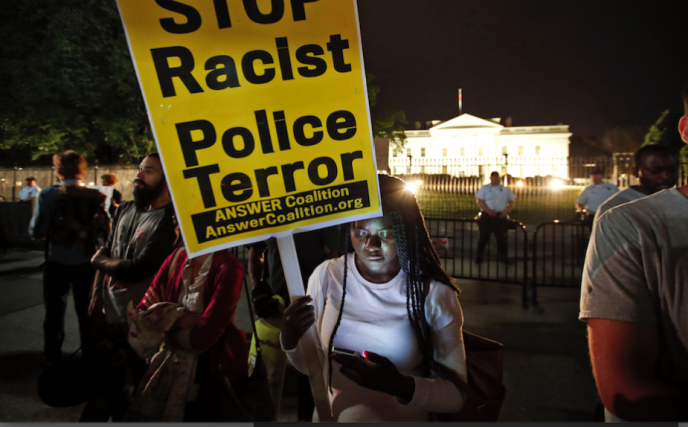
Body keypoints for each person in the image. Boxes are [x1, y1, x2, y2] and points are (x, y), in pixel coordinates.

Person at [280, 175, 467, 422]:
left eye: (385, 233)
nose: (372, 245)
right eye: (360, 232)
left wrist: (399, 385)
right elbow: (312, 368)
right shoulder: (328, 275)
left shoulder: (431, 292)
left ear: (404, 231)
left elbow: (455, 395)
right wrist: (291, 337)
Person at [580, 73, 688, 421]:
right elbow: (625, 387)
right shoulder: (626, 222)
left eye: (667, 169)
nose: (663, 174)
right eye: (655, 169)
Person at [83, 153, 177, 421]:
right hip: (110, 319)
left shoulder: (171, 220)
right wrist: (95, 304)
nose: (139, 175)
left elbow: (139, 267)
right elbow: (107, 254)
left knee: (140, 395)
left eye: (148, 171)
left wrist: (100, 261)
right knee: (107, 390)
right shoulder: (123, 209)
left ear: (167, 179)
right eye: (140, 169)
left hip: (144, 325)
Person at [125, 232, 249, 422]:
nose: (175, 226)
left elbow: (203, 338)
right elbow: (143, 315)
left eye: (179, 218)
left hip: (207, 371)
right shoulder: (175, 258)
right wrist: (189, 319)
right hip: (166, 364)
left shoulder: (230, 267)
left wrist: (166, 319)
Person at [248, 227, 340, 421]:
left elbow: (335, 251)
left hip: (308, 302)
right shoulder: (271, 214)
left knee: (309, 369)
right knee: (267, 368)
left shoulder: (318, 212)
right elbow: (255, 251)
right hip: (275, 304)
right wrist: (258, 288)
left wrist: (318, 284)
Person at [29, 151, 109, 366]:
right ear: (82, 171)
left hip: (57, 261)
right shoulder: (96, 195)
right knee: (87, 311)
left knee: (54, 312)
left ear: (58, 171)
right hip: (87, 262)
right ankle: (90, 354)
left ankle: (52, 355)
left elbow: (37, 230)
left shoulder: (48, 194)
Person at [594, 145, 678, 222]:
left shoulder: (681, 202)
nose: (666, 176)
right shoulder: (614, 208)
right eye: (655, 171)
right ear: (635, 172)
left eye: (672, 170)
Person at [474, 171, 516, 265]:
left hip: (500, 216)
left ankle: (503, 257)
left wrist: (506, 211)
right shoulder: (485, 188)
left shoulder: (505, 189)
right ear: (490, 178)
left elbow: (511, 202)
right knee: (483, 237)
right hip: (487, 216)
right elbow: (480, 201)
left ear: (499, 179)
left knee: (501, 238)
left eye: (496, 178)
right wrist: (489, 211)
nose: (495, 180)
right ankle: (479, 256)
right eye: (493, 178)